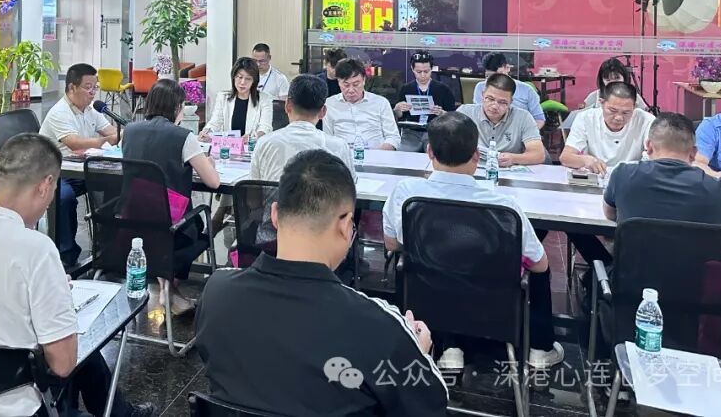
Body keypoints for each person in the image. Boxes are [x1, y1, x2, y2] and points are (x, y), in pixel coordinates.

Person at [0, 133, 154, 417]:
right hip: (11, 409)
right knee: (73, 349)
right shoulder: (36, 250)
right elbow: (62, 365)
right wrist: (56, 300)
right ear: (45, 186)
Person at [196, 150, 448, 416]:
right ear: (346, 225)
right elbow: (430, 407)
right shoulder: (381, 326)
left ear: (275, 214)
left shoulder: (216, 293)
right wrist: (416, 353)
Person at [382, 113, 563, 373]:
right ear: (477, 156)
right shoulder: (502, 205)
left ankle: (449, 346)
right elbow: (539, 264)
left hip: (428, 302)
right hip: (492, 308)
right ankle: (540, 348)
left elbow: (391, 244)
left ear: (430, 152)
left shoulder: (406, 193)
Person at [120, 78, 219, 315]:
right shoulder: (183, 137)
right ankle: (170, 288)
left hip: (131, 224)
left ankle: (168, 289)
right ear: (177, 107)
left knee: (160, 223)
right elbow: (213, 182)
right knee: (196, 224)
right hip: (173, 230)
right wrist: (210, 164)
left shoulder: (128, 131)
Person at [604, 112, 721, 234]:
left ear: (648, 146)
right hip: (700, 265)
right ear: (693, 153)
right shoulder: (719, 189)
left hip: (633, 264)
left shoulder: (622, 175)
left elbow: (610, 215)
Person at [39, 63, 119, 266]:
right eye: (88, 87)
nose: (93, 93)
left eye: (95, 87)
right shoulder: (60, 112)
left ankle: (108, 246)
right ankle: (66, 254)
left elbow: (112, 132)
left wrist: (117, 135)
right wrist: (104, 141)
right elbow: (74, 143)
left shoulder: (90, 110)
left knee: (116, 184)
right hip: (55, 173)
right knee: (64, 198)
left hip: (81, 170)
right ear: (71, 87)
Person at [250, 73, 356, 181]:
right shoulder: (339, 147)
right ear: (323, 112)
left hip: (278, 193)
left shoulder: (264, 143)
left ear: (287, 105)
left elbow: (253, 187)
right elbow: (350, 186)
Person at [561, 82, 655, 172]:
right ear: (601, 103)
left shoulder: (647, 120)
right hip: (597, 175)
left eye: (626, 112)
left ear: (634, 107)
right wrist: (585, 160)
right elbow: (565, 157)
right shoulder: (585, 118)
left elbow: (656, 158)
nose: (618, 118)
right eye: (613, 110)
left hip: (631, 176)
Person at [458, 74, 546, 165]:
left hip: (508, 169)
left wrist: (513, 158)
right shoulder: (465, 113)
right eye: (490, 99)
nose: (495, 106)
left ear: (511, 102)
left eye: (502, 102)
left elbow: (538, 155)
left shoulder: (523, 117)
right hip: (472, 168)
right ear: (482, 95)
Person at [323, 58, 399, 151]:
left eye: (356, 84)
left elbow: (393, 137)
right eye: (346, 85)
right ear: (338, 82)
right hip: (342, 156)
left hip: (377, 154)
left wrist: (381, 153)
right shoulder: (329, 104)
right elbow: (327, 139)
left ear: (364, 80)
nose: (351, 90)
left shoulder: (381, 103)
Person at [394, 51, 456, 152]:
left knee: (434, 153)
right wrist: (397, 109)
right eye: (418, 72)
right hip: (411, 133)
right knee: (402, 154)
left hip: (435, 132)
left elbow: (453, 117)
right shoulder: (406, 88)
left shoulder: (443, 89)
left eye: (426, 71)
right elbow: (400, 116)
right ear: (412, 69)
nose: (423, 75)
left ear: (431, 69)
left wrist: (442, 113)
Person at [200, 57, 273, 141]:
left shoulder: (264, 99)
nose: (242, 82)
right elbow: (215, 122)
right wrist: (206, 132)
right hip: (228, 146)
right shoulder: (223, 97)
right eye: (240, 77)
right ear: (234, 77)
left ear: (254, 81)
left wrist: (252, 138)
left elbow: (265, 127)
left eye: (248, 79)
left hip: (252, 146)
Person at [472, 52, 545, 128]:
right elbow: (478, 115)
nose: (494, 80)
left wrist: (528, 132)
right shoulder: (481, 87)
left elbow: (539, 119)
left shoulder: (526, 90)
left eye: (498, 75)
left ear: (507, 68)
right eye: (489, 76)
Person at [580, 57, 648, 110]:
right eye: (608, 79)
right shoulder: (594, 96)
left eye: (617, 78)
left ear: (624, 77)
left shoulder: (635, 97)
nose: (613, 82)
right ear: (602, 80)